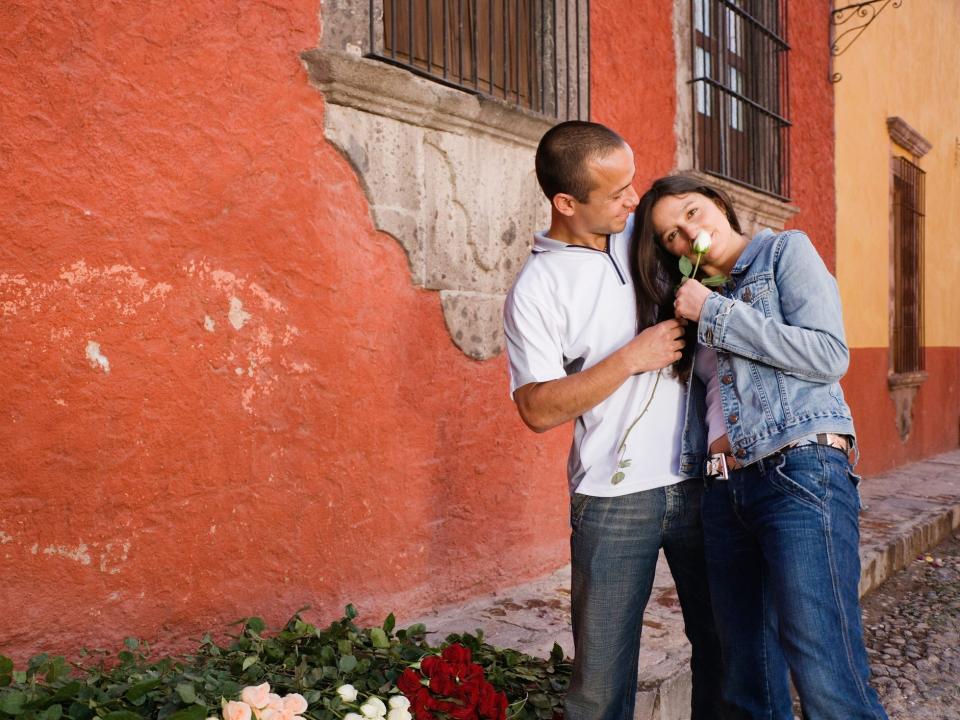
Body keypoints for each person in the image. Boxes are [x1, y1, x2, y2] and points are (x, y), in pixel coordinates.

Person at [632, 174, 888, 720]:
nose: (687, 234)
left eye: (693, 213)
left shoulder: (783, 253)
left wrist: (717, 314)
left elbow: (828, 354)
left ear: (720, 204)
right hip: (723, 493)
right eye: (671, 235)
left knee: (825, 672)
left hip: (800, 469)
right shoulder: (690, 302)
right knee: (747, 681)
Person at [502, 122, 724, 720]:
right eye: (618, 192)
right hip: (612, 497)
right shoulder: (538, 288)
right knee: (600, 687)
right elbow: (537, 408)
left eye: (633, 182)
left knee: (729, 654)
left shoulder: (642, 237)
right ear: (567, 203)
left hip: (704, 481)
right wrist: (631, 358)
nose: (635, 199)